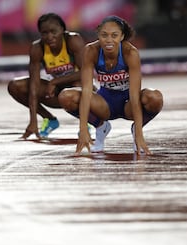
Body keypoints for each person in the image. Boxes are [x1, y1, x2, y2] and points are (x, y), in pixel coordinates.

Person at [58, 15, 163, 155]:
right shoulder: (91, 51)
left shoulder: (130, 53)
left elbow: (134, 95)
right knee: (66, 96)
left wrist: (139, 132)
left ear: (122, 36)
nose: (109, 40)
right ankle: (100, 126)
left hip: (128, 104)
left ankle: (135, 129)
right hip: (104, 103)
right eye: (104, 35)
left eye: (114, 35)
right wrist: (83, 128)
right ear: (98, 35)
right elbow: (87, 90)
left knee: (155, 97)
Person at [7, 13, 85, 139]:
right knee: (15, 86)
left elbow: (86, 73)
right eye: (44, 33)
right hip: (56, 94)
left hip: (81, 93)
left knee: (77, 85)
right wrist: (33, 121)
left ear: (63, 30)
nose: (50, 37)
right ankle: (49, 119)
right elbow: (34, 86)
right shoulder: (37, 48)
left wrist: (55, 82)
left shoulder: (73, 40)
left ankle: (88, 121)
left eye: (53, 32)